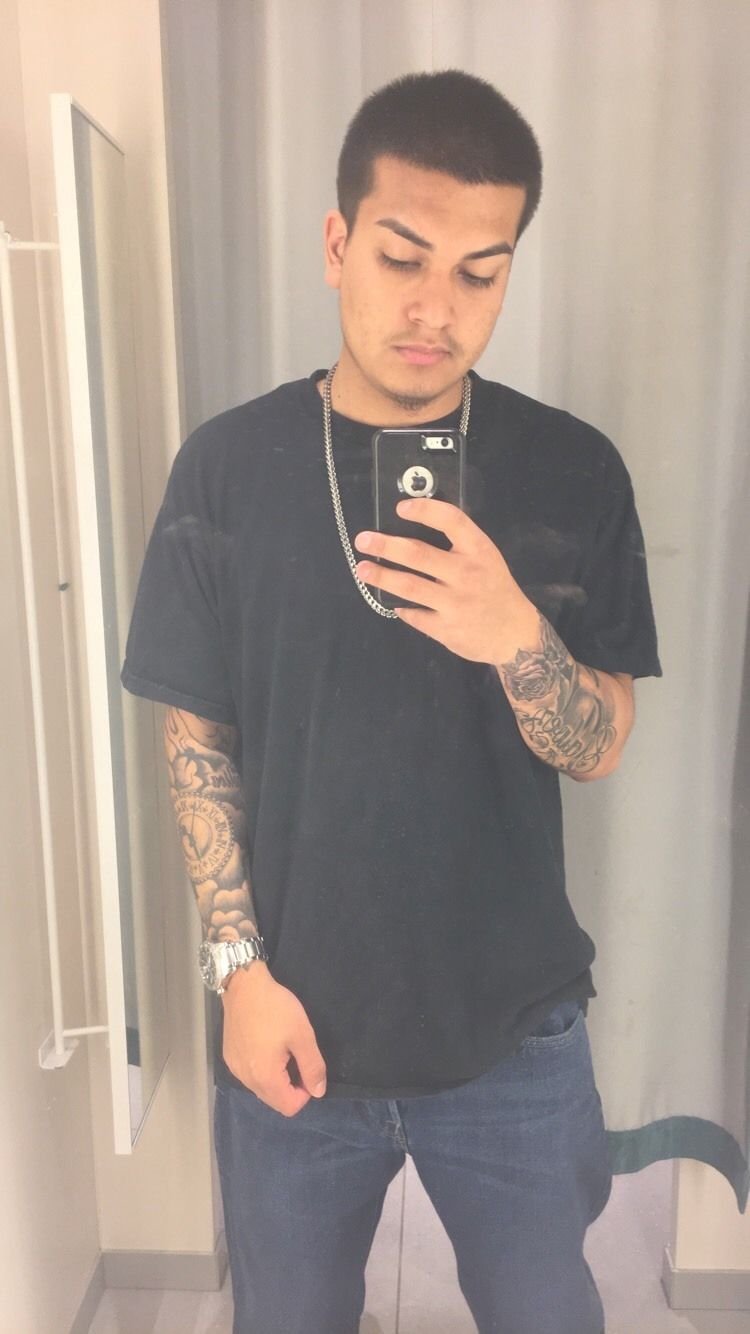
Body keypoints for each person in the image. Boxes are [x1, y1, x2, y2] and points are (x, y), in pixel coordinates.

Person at [121, 68, 661, 1334]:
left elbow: (600, 745)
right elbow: (198, 739)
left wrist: (515, 633)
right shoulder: (227, 467)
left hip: (515, 1033)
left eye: (480, 272)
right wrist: (238, 973)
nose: (435, 308)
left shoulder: (573, 468)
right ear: (336, 244)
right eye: (402, 257)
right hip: (295, 1027)